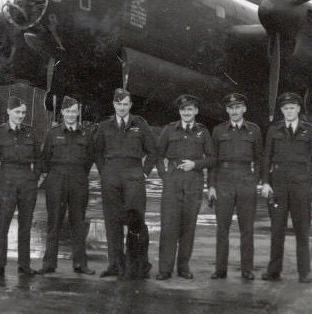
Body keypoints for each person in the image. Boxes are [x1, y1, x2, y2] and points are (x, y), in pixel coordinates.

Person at [93, 88, 158, 278]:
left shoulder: (140, 124)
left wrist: (144, 173)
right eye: (119, 104)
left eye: (125, 104)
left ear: (130, 105)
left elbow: (153, 151)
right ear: (114, 104)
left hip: (133, 174)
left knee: (135, 220)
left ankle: (138, 265)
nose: (122, 108)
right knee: (112, 220)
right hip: (111, 175)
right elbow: (97, 152)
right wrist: (104, 172)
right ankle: (115, 265)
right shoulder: (104, 126)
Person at [261, 92, 312, 283]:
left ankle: (304, 272)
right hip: (278, 186)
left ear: (298, 109)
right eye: (285, 108)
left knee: (302, 230)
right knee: (277, 229)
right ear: (282, 111)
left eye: (292, 108)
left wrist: (308, 181)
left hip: (300, 185)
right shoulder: (274, 130)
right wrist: (266, 182)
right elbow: (266, 157)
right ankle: (273, 271)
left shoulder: (309, 130)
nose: (289, 111)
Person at [155, 94, 215, 280]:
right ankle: (165, 269)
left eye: (190, 109)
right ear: (179, 112)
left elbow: (213, 159)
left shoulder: (203, 132)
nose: (186, 112)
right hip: (173, 183)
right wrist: (165, 177)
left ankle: (183, 267)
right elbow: (157, 155)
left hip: (193, 183)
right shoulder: (169, 130)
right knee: (168, 227)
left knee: (188, 228)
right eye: (183, 109)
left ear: (195, 111)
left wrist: (195, 165)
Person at [37, 96, 95, 275]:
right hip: (57, 179)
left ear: (78, 112)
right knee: (54, 221)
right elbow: (44, 158)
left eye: (74, 111)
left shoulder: (86, 133)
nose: (71, 114)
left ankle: (80, 264)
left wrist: (77, 174)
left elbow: (89, 159)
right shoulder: (53, 133)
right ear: (62, 112)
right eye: (68, 111)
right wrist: (55, 175)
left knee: (78, 222)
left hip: (78, 179)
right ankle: (49, 263)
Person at [209, 93, 262, 281]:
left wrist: (255, 181)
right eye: (231, 108)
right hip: (223, 182)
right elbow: (213, 161)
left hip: (246, 181)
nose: (234, 111)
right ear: (227, 110)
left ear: (244, 109)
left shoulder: (254, 131)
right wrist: (212, 186)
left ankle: (247, 269)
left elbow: (260, 159)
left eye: (238, 107)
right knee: (222, 229)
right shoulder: (218, 130)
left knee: (246, 228)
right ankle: (220, 269)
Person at [0, 96, 42, 277]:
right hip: (6, 183)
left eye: (23, 112)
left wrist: (34, 179)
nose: (20, 115)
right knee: (3, 226)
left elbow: (39, 160)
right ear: (8, 111)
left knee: (26, 226)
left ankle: (24, 265)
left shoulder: (31, 133)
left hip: (27, 183)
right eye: (17, 112)